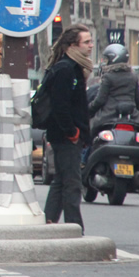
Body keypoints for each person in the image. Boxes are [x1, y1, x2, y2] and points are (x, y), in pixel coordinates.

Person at [43, 24, 92, 231]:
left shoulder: (73, 68)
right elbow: (60, 106)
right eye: (87, 42)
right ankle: (74, 227)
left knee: (61, 180)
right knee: (72, 182)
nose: (91, 46)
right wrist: (72, 132)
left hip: (67, 135)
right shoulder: (66, 70)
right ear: (73, 45)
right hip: (65, 136)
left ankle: (49, 222)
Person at [87, 43, 139, 136]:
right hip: (132, 118)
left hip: (108, 118)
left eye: (106, 59)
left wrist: (89, 110)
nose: (105, 62)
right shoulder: (133, 77)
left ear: (113, 59)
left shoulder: (108, 77)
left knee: (91, 138)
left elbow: (100, 100)